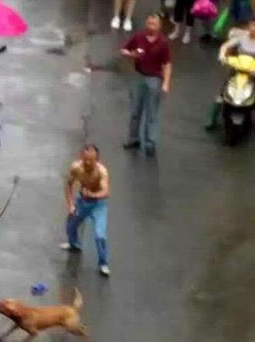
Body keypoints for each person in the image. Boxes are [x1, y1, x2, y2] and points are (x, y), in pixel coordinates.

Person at [206, 16, 255, 130]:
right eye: (251, 25)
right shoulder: (242, 38)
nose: (253, 28)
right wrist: (222, 55)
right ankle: (212, 119)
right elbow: (226, 45)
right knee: (222, 95)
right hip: (237, 69)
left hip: (254, 72)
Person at [120, 14, 172, 157]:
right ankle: (133, 139)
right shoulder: (139, 37)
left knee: (151, 113)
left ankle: (150, 143)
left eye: (154, 24)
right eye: (149, 23)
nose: (151, 27)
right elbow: (124, 50)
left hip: (154, 79)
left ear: (159, 26)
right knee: (135, 110)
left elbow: (167, 64)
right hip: (138, 76)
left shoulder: (163, 43)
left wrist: (166, 83)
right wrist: (132, 55)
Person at [60, 145, 111, 277]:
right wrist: (71, 205)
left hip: (98, 205)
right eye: (85, 160)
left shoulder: (102, 172)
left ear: (97, 160)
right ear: (81, 157)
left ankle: (103, 263)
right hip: (83, 202)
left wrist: (92, 195)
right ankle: (74, 244)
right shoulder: (76, 167)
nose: (87, 163)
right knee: (71, 224)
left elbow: (105, 191)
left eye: (90, 160)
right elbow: (68, 185)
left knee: (100, 235)